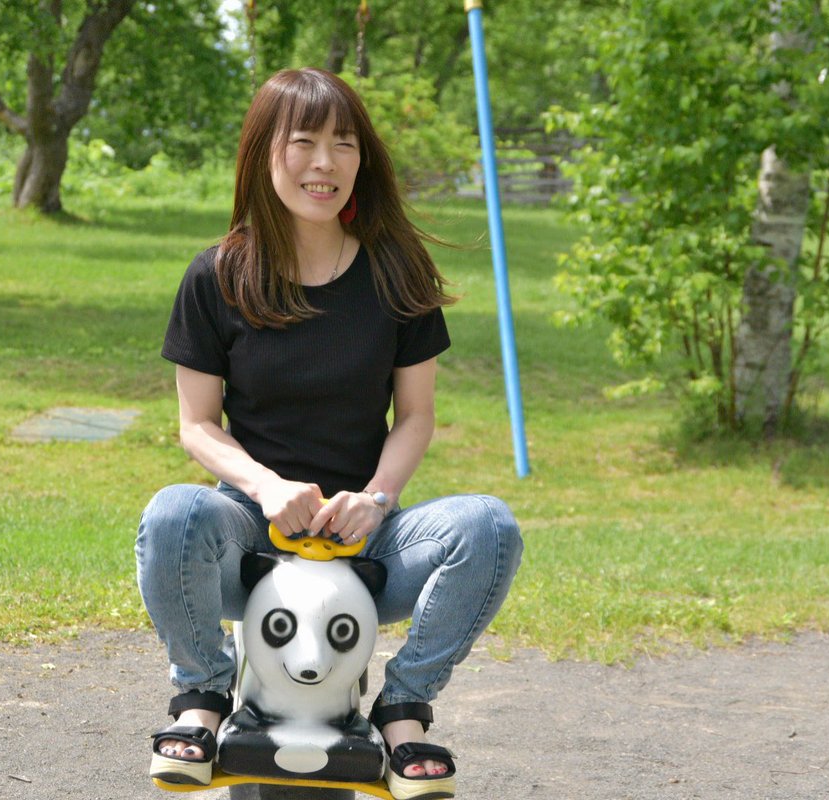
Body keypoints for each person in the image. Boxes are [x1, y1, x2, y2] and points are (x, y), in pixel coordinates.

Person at [136, 67, 523, 799]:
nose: (326, 163)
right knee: (174, 513)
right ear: (262, 155)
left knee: (490, 527)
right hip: (249, 537)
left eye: (344, 144)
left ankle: (404, 709)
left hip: (367, 541)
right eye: (304, 142)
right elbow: (197, 426)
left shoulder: (395, 272)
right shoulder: (217, 276)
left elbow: (416, 416)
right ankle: (202, 697)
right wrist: (266, 487)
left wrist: (377, 497)